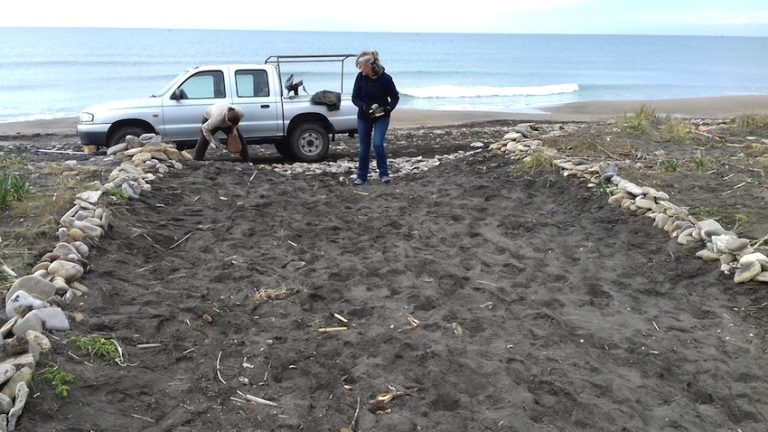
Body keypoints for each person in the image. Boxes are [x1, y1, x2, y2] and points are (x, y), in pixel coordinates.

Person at [351, 50, 399, 185]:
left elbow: (395, 97)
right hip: (364, 116)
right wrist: (364, 107)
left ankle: (384, 174)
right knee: (364, 147)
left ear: (369, 66)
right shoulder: (360, 77)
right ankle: (361, 177)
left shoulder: (385, 79)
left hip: (381, 116)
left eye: (361, 66)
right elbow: (355, 98)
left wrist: (389, 108)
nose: (360, 69)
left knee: (377, 144)